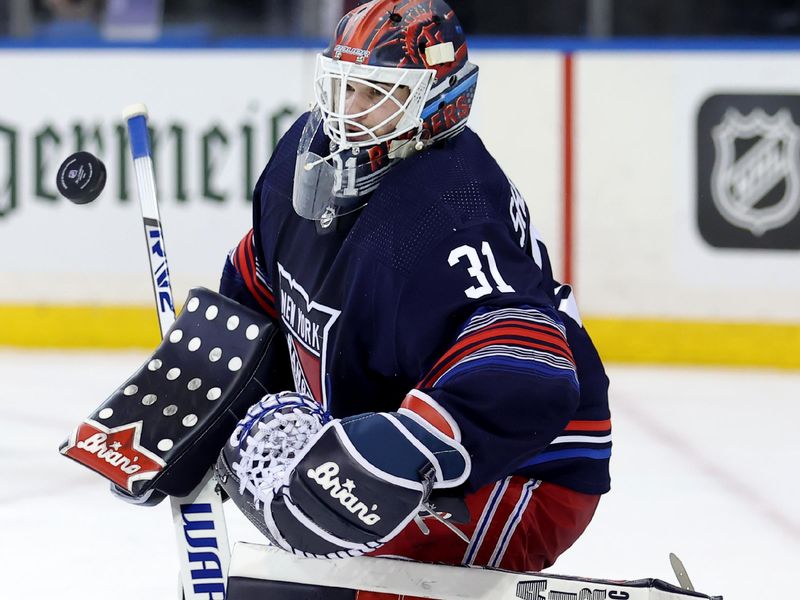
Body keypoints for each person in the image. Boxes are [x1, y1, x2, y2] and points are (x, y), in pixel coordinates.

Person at [219, 0, 611, 588]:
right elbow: (262, 280)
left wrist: (402, 449)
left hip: (523, 469)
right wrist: (204, 393)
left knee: (311, 565)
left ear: (437, 102)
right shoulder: (302, 158)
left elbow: (529, 365)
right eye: (341, 87)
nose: (345, 114)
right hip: (396, 417)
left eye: (375, 94)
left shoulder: (452, 213)